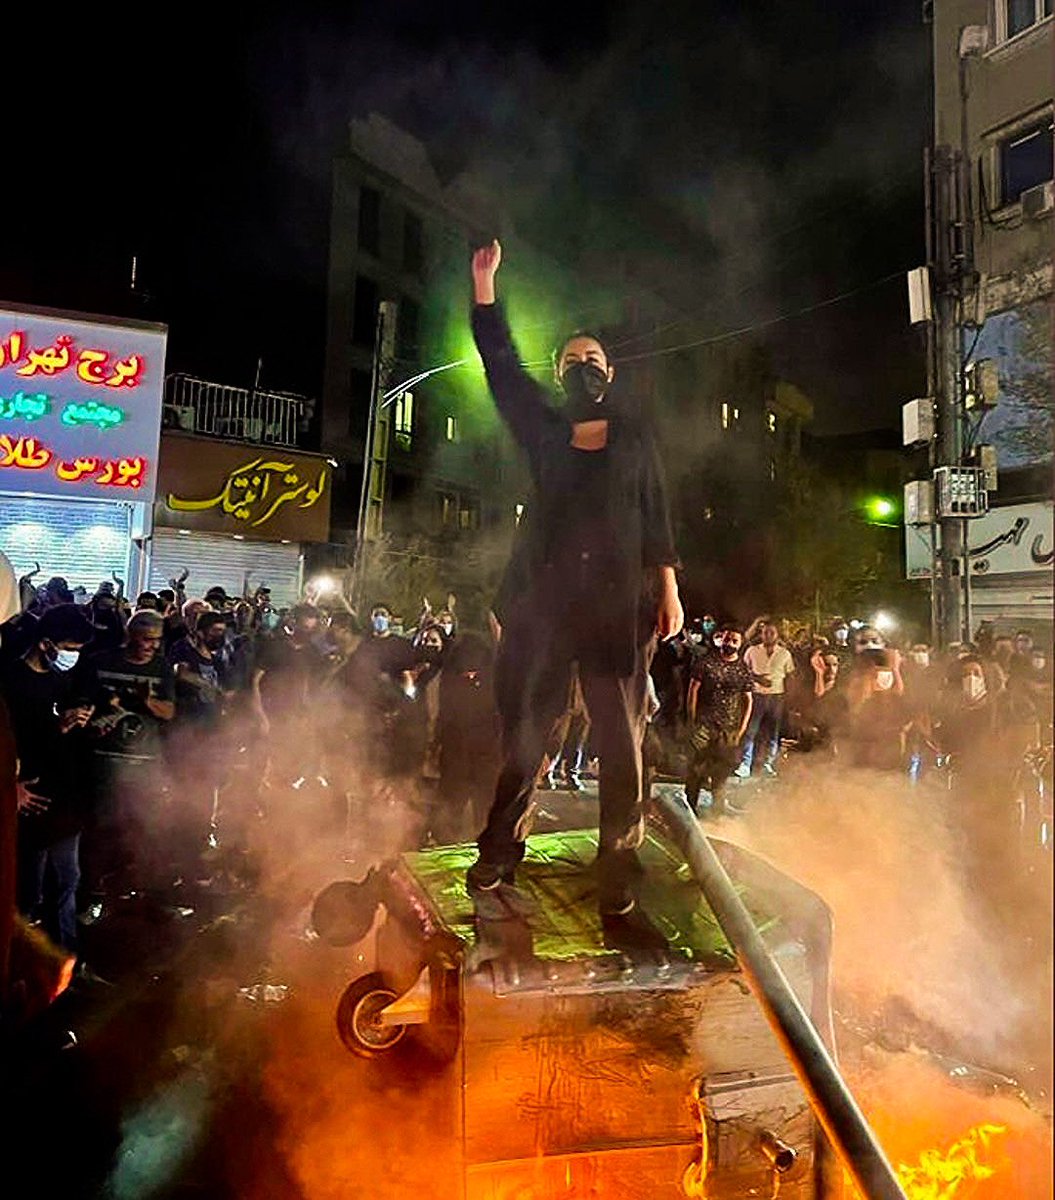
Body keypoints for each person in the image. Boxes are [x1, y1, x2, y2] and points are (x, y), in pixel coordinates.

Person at [465, 239, 683, 916]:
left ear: (609, 372)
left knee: (621, 739)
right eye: (569, 361)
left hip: (618, 605)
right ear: (556, 374)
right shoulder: (540, 425)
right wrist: (484, 286)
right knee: (531, 730)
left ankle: (617, 863)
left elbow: (656, 513)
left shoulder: (634, 438)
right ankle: (500, 847)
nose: (579, 368)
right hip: (549, 601)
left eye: (590, 360)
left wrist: (670, 586)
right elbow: (497, 365)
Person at [1, 605, 97, 954]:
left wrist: (76, 723)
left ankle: (63, 961)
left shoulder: (60, 681)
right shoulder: (9, 682)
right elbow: (11, 741)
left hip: (63, 800)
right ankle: (19, 968)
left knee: (67, 883)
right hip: (30, 802)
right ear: (45, 644)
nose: (73, 656)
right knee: (27, 891)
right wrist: (10, 789)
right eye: (69, 648)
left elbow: (55, 735)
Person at [685, 624, 754, 815]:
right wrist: (692, 720)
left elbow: (748, 700)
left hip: (729, 728)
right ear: (721, 639)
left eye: (734, 641)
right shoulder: (705, 662)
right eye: (727, 639)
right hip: (705, 725)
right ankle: (689, 810)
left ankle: (717, 813)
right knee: (696, 770)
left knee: (721, 772)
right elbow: (693, 691)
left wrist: (741, 729)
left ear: (740, 644)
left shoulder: (743, 669)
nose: (729, 643)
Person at [735, 621, 795, 779]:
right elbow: (742, 670)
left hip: (777, 696)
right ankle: (745, 764)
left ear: (777, 635)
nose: (768, 635)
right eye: (765, 632)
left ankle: (768, 763)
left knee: (772, 732)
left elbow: (790, 675)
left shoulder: (784, 654)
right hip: (756, 695)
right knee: (750, 731)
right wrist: (757, 678)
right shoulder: (752, 651)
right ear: (761, 634)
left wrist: (790, 697)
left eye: (771, 632)